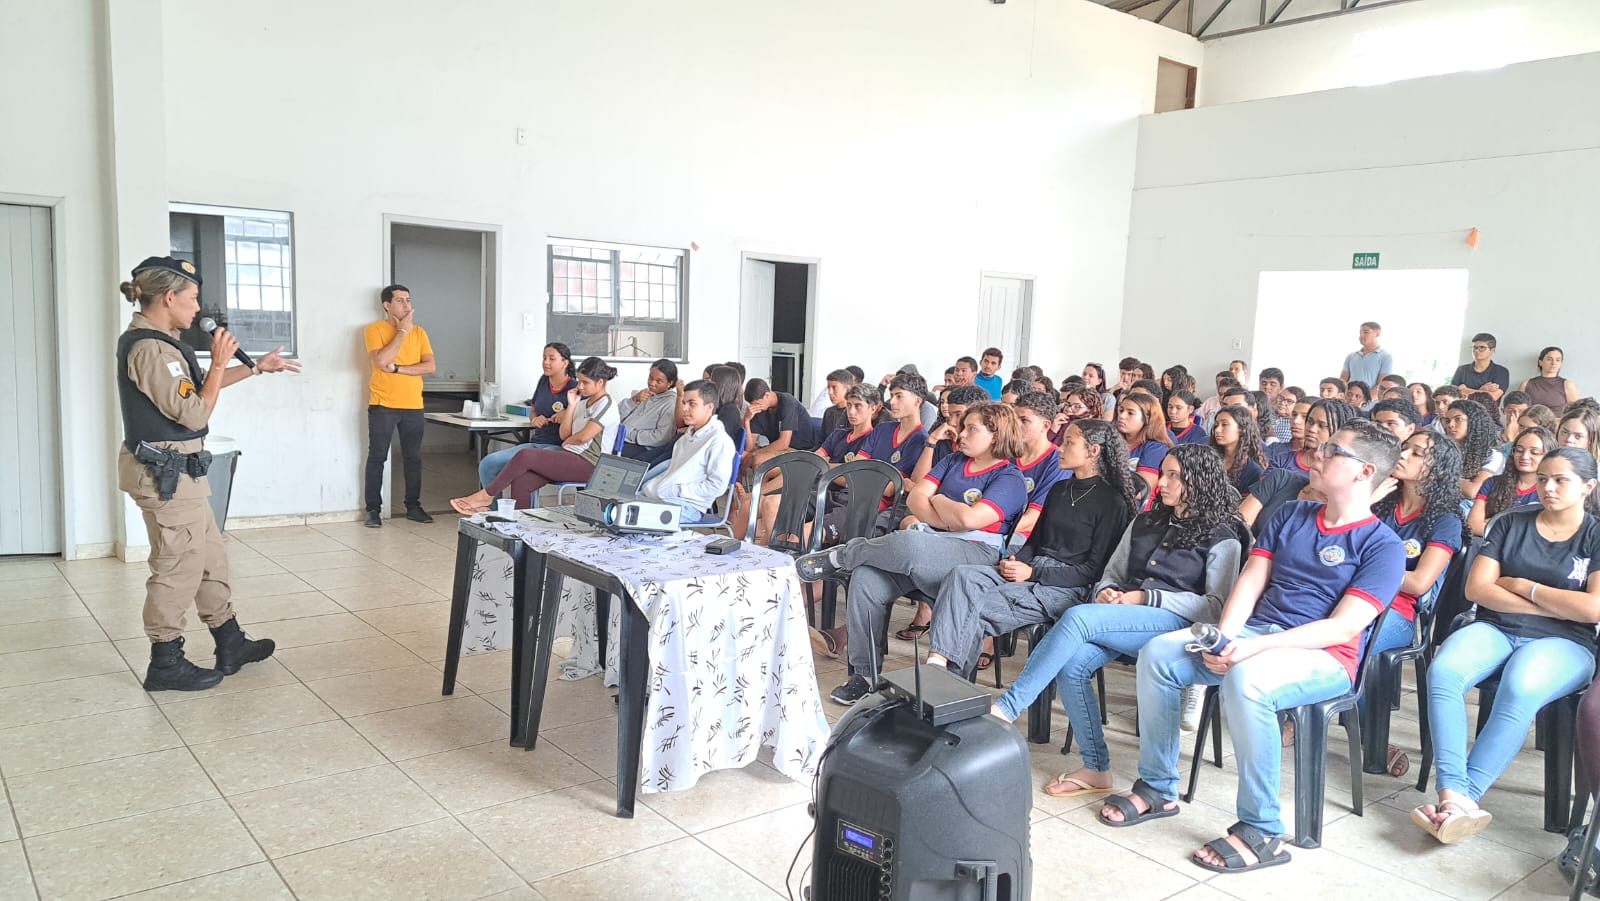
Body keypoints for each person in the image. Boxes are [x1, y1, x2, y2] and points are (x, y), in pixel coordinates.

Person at [1099, 419, 1404, 875]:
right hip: (1257, 635)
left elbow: (1342, 629)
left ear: (1364, 473)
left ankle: (1262, 830)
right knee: (1161, 653)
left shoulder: (1383, 545)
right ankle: (1157, 788)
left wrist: (1251, 650)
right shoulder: (1291, 515)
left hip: (1323, 658)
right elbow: (1252, 578)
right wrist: (1227, 635)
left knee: (1247, 679)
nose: (1316, 454)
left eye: (1332, 450)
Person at [992, 444, 1247, 797]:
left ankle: (1008, 706)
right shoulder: (1145, 521)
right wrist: (1108, 592)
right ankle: (1096, 768)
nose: (1163, 484)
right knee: (1073, 664)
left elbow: (1216, 607)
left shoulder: (1223, 537)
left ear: (1199, 481)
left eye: (1175, 476)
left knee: (1078, 617)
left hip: (1176, 626)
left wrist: (1146, 597)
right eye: (1164, 474)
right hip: (1126, 614)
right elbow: (1112, 572)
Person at [117, 257, 295, 690]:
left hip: (184, 475)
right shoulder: (149, 349)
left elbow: (195, 393)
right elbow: (194, 413)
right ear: (169, 297)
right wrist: (218, 363)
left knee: (210, 558)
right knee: (177, 565)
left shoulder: (163, 342)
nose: (198, 308)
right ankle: (165, 661)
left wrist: (253, 367)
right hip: (166, 476)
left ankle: (229, 641)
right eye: (193, 298)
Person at [1414, 447, 1600, 844]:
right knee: (1444, 670)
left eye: (1560, 480)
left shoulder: (1596, 536)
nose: (1547, 487)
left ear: (1588, 487)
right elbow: (1477, 589)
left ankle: (1465, 798)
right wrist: (1556, 603)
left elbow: (1592, 609)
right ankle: (1453, 794)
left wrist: (1522, 585)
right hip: (1496, 627)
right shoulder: (1510, 522)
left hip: (1566, 641)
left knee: (1520, 685)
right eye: (1544, 478)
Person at [795, 402, 1029, 704]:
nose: (962, 433)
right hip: (930, 544)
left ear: (996, 436)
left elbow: (970, 521)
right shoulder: (955, 460)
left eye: (972, 429)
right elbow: (917, 497)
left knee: (908, 543)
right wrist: (949, 514)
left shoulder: (1009, 479)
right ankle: (865, 675)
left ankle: (844, 555)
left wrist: (940, 500)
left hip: (975, 554)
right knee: (866, 577)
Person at [921, 419, 1136, 677]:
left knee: (971, 610)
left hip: (1065, 587)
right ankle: (938, 670)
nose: (1060, 448)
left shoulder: (1112, 503)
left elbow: (1092, 571)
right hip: (1031, 569)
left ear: (1093, 451)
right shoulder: (1059, 489)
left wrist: (1031, 574)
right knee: (961, 575)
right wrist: (1014, 560)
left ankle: (946, 686)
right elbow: (1034, 541)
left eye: (1069, 443)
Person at [1368, 431, 1464, 776]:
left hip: (1397, 615)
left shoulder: (1444, 521)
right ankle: (1308, 712)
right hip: (1351, 600)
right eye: (1404, 448)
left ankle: (1368, 733)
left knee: (1354, 640)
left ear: (1437, 470)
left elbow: (1420, 582)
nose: (1404, 454)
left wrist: (1366, 573)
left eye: (1417, 453)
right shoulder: (1379, 504)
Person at [450, 357, 618, 512]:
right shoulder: (582, 404)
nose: (580, 387)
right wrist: (572, 406)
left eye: (585, 383)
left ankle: (487, 495)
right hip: (571, 455)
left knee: (525, 455)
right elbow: (563, 434)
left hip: (591, 464)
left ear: (601, 382)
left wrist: (569, 441)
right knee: (522, 481)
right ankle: (517, 529)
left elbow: (583, 437)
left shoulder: (607, 405)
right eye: (580, 381)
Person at [364, 284, 437, 527]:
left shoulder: (420, 333)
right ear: (387, 305)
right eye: (400, 300)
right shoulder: (374, 330)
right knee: (377, 457)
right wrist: (402, 332)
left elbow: (430, 367)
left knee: (413, 458)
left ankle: (413, 507)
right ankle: (373, 510)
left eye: (408, 300)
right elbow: (381, 360)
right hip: (383, 404)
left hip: (413, 405)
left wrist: (398, 369)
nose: (406, 305)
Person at [478, 342, 574, 489]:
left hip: (558, 448)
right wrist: (535, 419)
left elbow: (585, 413)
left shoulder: (574, 388)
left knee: (523, 472)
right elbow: (533, 409)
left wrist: (568, 413)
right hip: (536, 444)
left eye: (551, 358)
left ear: (565, 362)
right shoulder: (543, 381)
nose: (546, 362)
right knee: (488, 464)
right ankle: (495, 509)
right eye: (544, 358)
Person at [639, 379, 736, 523]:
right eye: (684, 403)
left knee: (634, 517)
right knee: (619, 509)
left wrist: (677, 491)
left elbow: (716, 486)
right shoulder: (685, 438)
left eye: (692, 404)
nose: (684, 408)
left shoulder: (718, 441)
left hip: (688, 506)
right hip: (663, 497)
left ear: (709, 407)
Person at [1469, 426, 1552, 537]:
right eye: (1519, 450)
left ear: (1548, 456)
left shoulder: (1550, 490)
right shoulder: (1492, 483)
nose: (1524, 456)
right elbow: (1473, 525)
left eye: (1534, 452)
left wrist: (1493, 523)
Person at [1010, 392, 1067, 542]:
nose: (1015, 425)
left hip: (1025, 537)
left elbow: (1033, 517)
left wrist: (988, 531)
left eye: (1024, 420)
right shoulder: (1007, 453)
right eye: (1014, 419)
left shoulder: (1057, 461)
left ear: (1045, 425)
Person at [740, 377, 821, 479]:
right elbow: (749, 448)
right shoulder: (759, 409)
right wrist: (746, 420)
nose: (755, 407)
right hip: (779, 450)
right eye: (752, 404)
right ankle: (737, 492)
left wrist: (754, 454)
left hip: (799, 450)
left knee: (758, 459)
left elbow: (783, 443)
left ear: (767, 395)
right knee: (741, 455)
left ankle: (761, 493)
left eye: (757, 403)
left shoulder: (787, 403)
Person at [1440, 398, 1504, 504]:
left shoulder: (1493, 456)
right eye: (1447, 421)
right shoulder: (1443, 450)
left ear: (1474, 422)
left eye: (1458, 419)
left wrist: (1440, 477)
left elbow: (1473, 491)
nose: (1450, 425)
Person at [618, 358, 680, 465]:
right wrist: (634, 400)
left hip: (640, 446)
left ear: (670, 383)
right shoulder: (644, 394)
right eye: (650, 378)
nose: (652, 383)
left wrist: (630, 434)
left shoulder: (670, 403)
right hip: (622, 438)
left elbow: (661, 437)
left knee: (604, 454)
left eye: (658, 381)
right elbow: (616, 415)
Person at [1115, 392, 1172, 502]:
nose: (1122, 416)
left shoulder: (1156, 448)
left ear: (1148, 419)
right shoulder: (1113, 441)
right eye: (1121, 410)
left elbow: (1141, 491)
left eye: (1130, 413)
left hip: (1137, 512)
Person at [1209, 405, 1266, 493]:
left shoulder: (1253, 472)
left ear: (1242, 429)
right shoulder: (1208, 459)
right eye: (1216, 425)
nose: (1217, 430)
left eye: (1224, 424)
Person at [1451, 333, 1511, 403]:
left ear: (1492, 350)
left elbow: (1492, 397)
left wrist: (1465, 390)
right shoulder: (1461, 370)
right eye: (1474, 347)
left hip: (1488, 412)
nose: (1476, 350)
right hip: (1462, 411)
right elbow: (1453, 395)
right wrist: (1483, 391)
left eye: (1482, 348)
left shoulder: (1501, 371)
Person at [1521, 346, 1579, 415]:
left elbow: (1576, 412)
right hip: (1531, 424)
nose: (1553, 363)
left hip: (1558, 424)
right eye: (1549, 359)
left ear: (1560, 364)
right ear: (1540, 362)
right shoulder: (1526, 384)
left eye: (1557, 360)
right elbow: (1519, 409)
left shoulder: (1567, 385)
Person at [1341, 321, 1393, 387]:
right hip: (1350, 396)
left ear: (1377, 334)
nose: (1361, 336)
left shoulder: (1385, 357)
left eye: (1366, 332)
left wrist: (1368, 397)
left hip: (1371, 396)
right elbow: (1342, 381)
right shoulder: (1351, 356)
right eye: (1360, 333)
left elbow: (1382, 384)